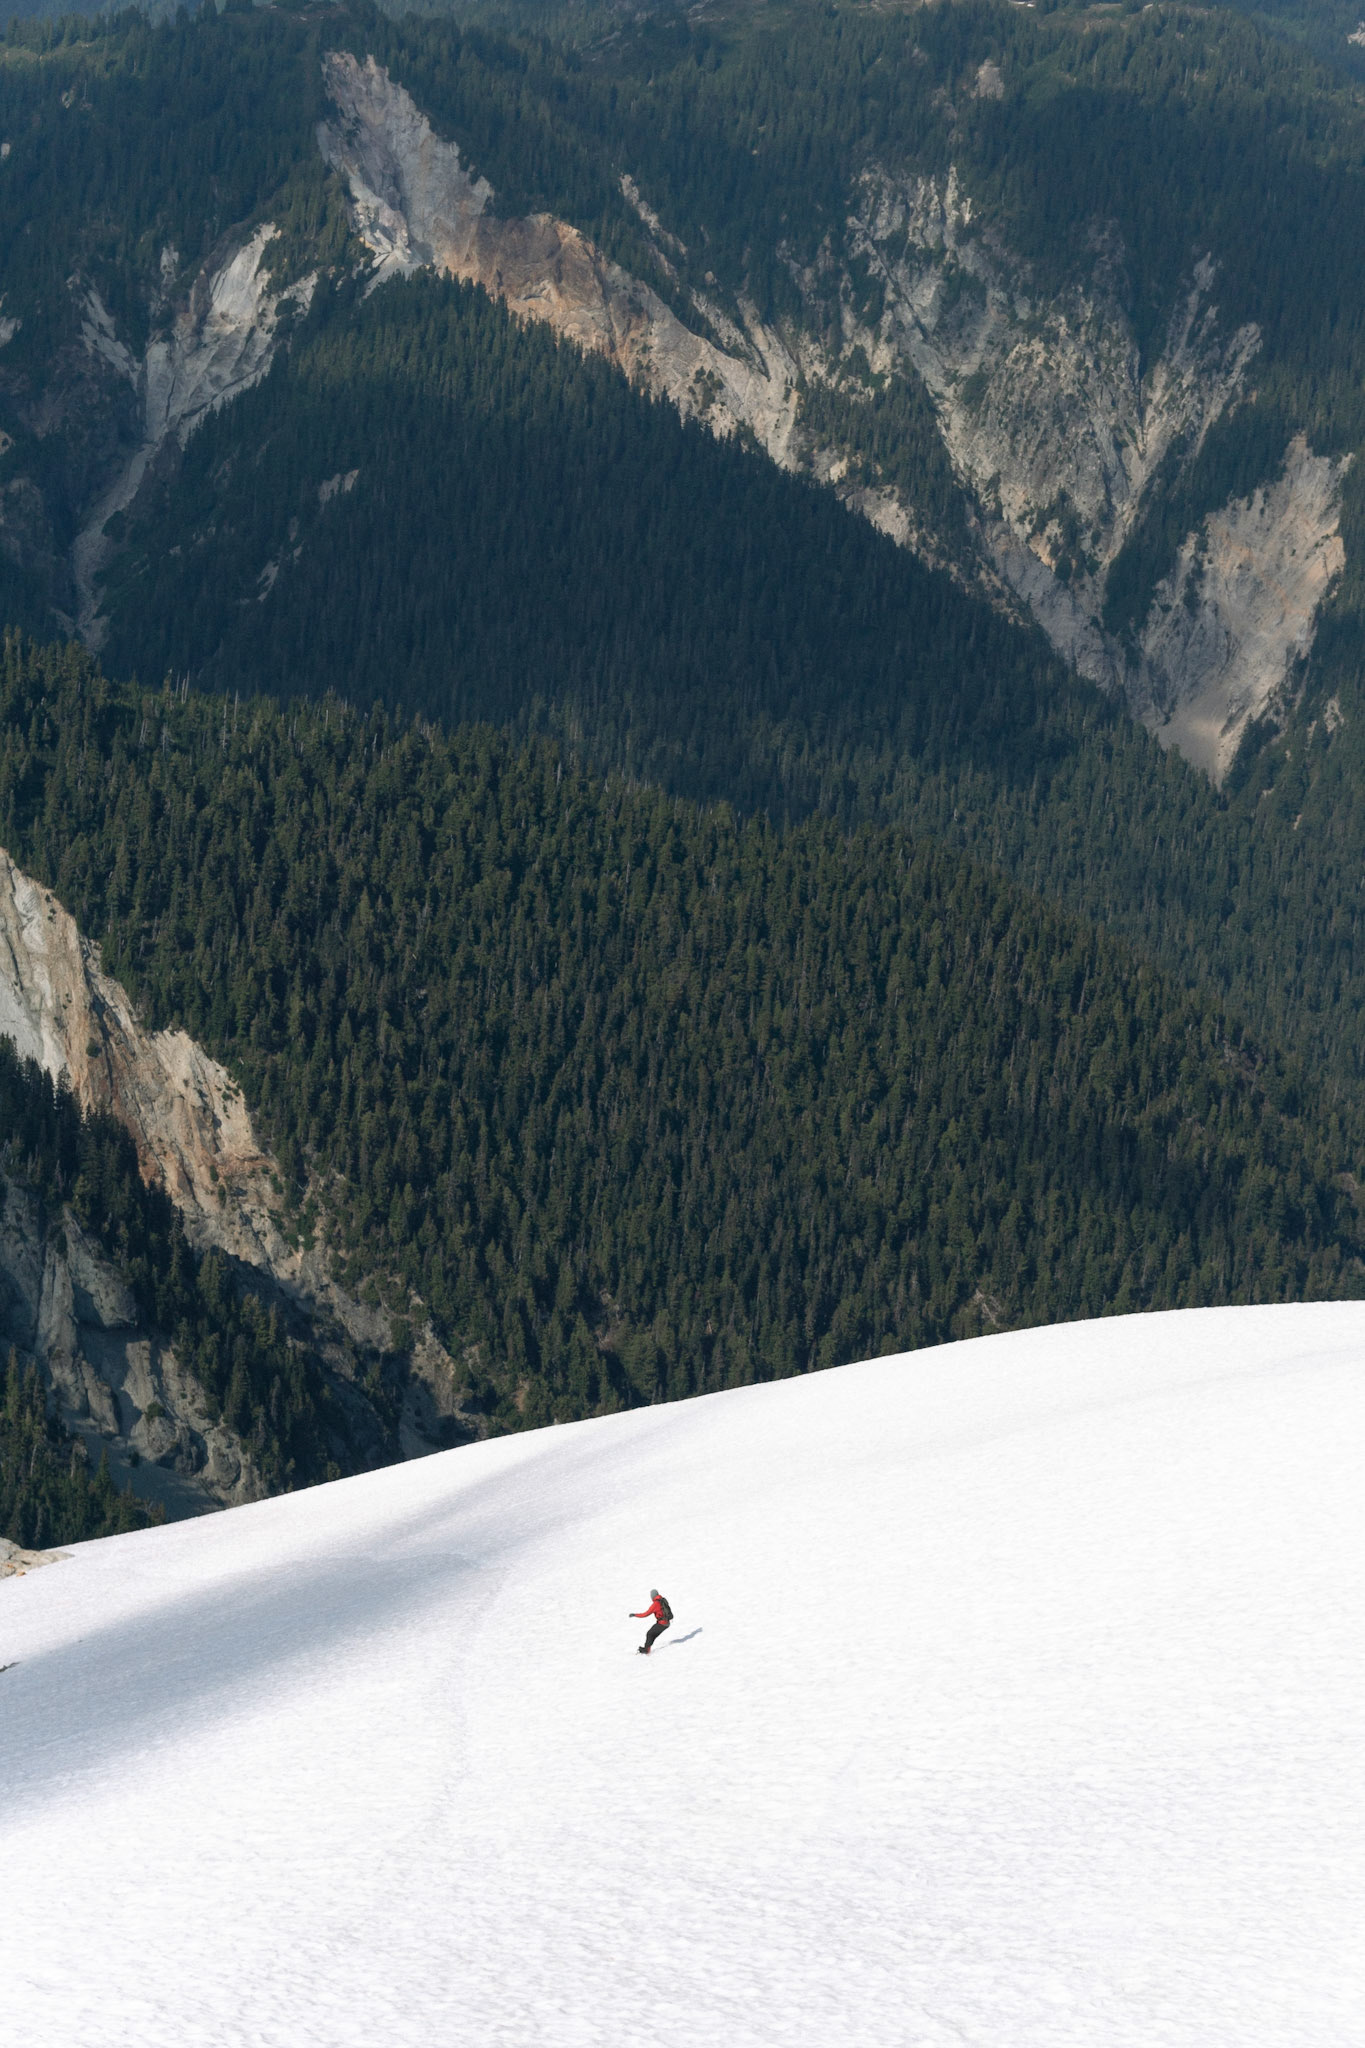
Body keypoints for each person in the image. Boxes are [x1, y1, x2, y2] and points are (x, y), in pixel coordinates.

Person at [631, 1588, 673, 1654]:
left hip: (662, 1623)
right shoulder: (662, 1600)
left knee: (650, 1633)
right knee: (652, 1634)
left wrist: (635, 1615)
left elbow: (645, 1614)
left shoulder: (656, 1604)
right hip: (666, 1622)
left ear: (652, 1596)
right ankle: (647, 1648)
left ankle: (647, 1650)